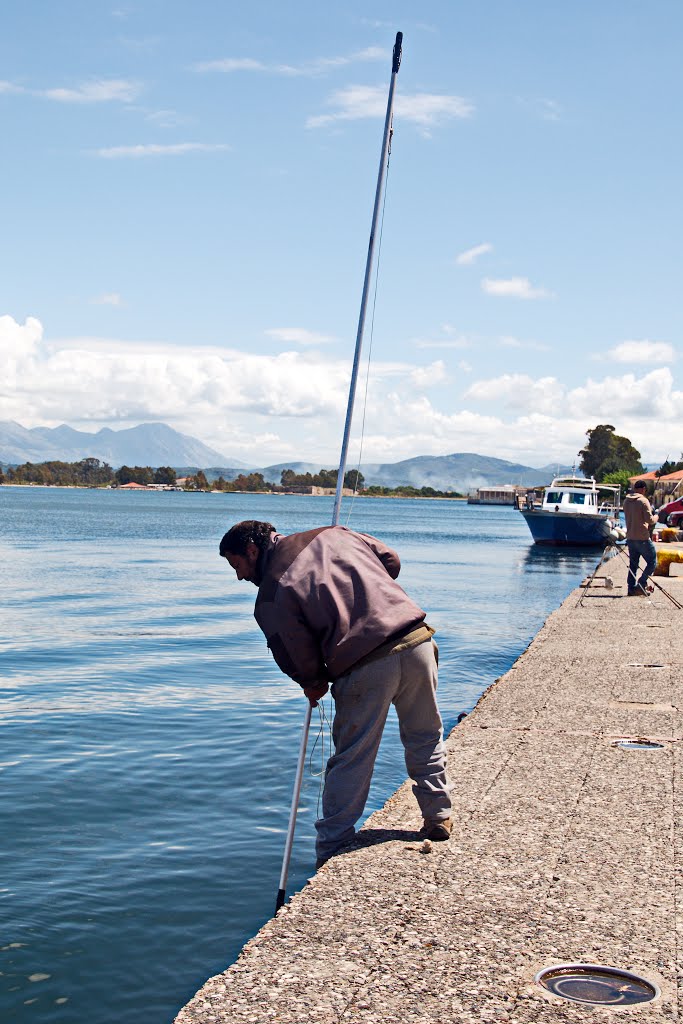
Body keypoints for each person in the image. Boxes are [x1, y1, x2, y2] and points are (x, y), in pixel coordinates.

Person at [219, 519, 452, 865]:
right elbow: (391, 562)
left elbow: (294, 651)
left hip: (365, 663)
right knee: (425, 734)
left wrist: (312, 683)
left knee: (352, 756)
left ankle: (332, 844)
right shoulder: (334, 534)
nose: (239, 576)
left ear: (252, 551)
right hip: (417, 640)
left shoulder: (271, 591)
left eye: (236, 565)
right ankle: (438, 815)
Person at [623, 480, 658, 596]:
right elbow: (650, 520)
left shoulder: (626, 501)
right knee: (652, 562)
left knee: (633, 564)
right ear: (643, 489)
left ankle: (631, 588)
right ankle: (641, 583)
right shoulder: (643, 501)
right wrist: (657, 515)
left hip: (630, 538)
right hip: (642, 538)